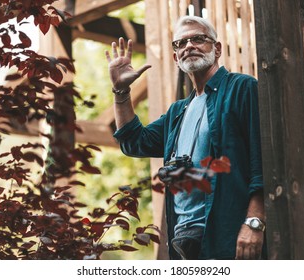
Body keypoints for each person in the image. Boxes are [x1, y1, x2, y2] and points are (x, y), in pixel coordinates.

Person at [105, 15, 265, 260]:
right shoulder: (177, 112)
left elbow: (261, 160)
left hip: (227, 236)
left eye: (198, 39)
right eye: (181, 43)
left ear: (217, 48)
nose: (189, 46)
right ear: (175, 58)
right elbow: (134, 142)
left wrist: (254, 222)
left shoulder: (241, 89)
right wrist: (121, 91)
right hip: (183, 241)